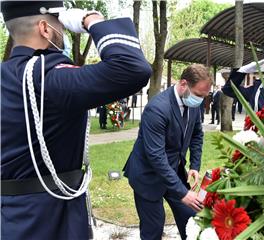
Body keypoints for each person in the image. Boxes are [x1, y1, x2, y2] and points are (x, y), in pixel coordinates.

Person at [1, 2, 151, 240]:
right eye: (60, 22)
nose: (65, 30)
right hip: (49, 219)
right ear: (45, 28)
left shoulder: (7, 76)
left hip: (8, 215)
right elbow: (132, 68)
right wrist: (91, 20)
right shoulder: (48, 78)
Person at [123, 64, 212, 240]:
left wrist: (194, 165)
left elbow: (196, 135)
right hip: (147, 176)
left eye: (204, 96)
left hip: (173, 170)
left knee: (191, 218)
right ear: (184, 83)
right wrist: (183, 193)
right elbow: (156, 157)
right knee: (153, 228)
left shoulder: (193, 103)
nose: (201, 100)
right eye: (199, 95)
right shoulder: (157, 109)